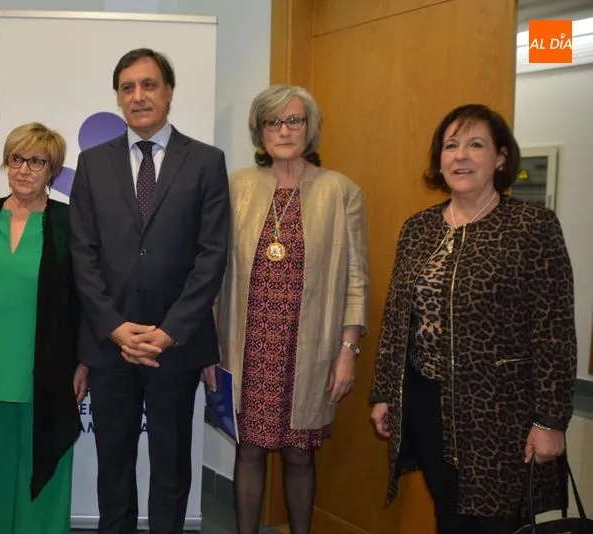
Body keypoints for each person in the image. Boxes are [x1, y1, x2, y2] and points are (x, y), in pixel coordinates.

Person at [369, 104, 577, 534]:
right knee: (449, 514)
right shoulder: (418, 228)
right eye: (451, 145)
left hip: (501, 413)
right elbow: (396, 320)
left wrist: (550, 421)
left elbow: (555, 331)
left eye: (475, 144)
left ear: (500, 158)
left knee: (496, 522)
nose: (460, 156)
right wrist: (385, 393)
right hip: (427, 405)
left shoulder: (531, 227)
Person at [69, 47, 231, 534]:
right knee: (112, 464)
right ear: (117, 98)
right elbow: (83, 253)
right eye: (127, 88)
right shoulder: (92, 163)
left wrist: (167, 332)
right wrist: (116, 328)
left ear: (169, 92)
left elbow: (211, 256)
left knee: (172, 464)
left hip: (175, 347)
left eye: (149, 85)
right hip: (108, 343)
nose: (138, 96)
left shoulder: (205, 161)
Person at [216, 84, 369, 534]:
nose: (283, 130)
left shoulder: (342, 192)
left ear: (310, 128)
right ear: (259, 131)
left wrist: (348, 350)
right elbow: (212, 271)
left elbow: (357, 278)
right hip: (249, 344)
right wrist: (210, 347)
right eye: (273, 121)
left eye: (294, 120)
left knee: (301, 453)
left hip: (312, 346)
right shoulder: (235, 187)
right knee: (249, 450)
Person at [0, 122, 86, 534]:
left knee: (42, 469)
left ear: (52, 169)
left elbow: (86, 301)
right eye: (17, 158)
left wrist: (84, 362)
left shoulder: (70, 224)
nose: (25, 170)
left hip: (47, 372)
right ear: (7, 163)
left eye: (37, 161)